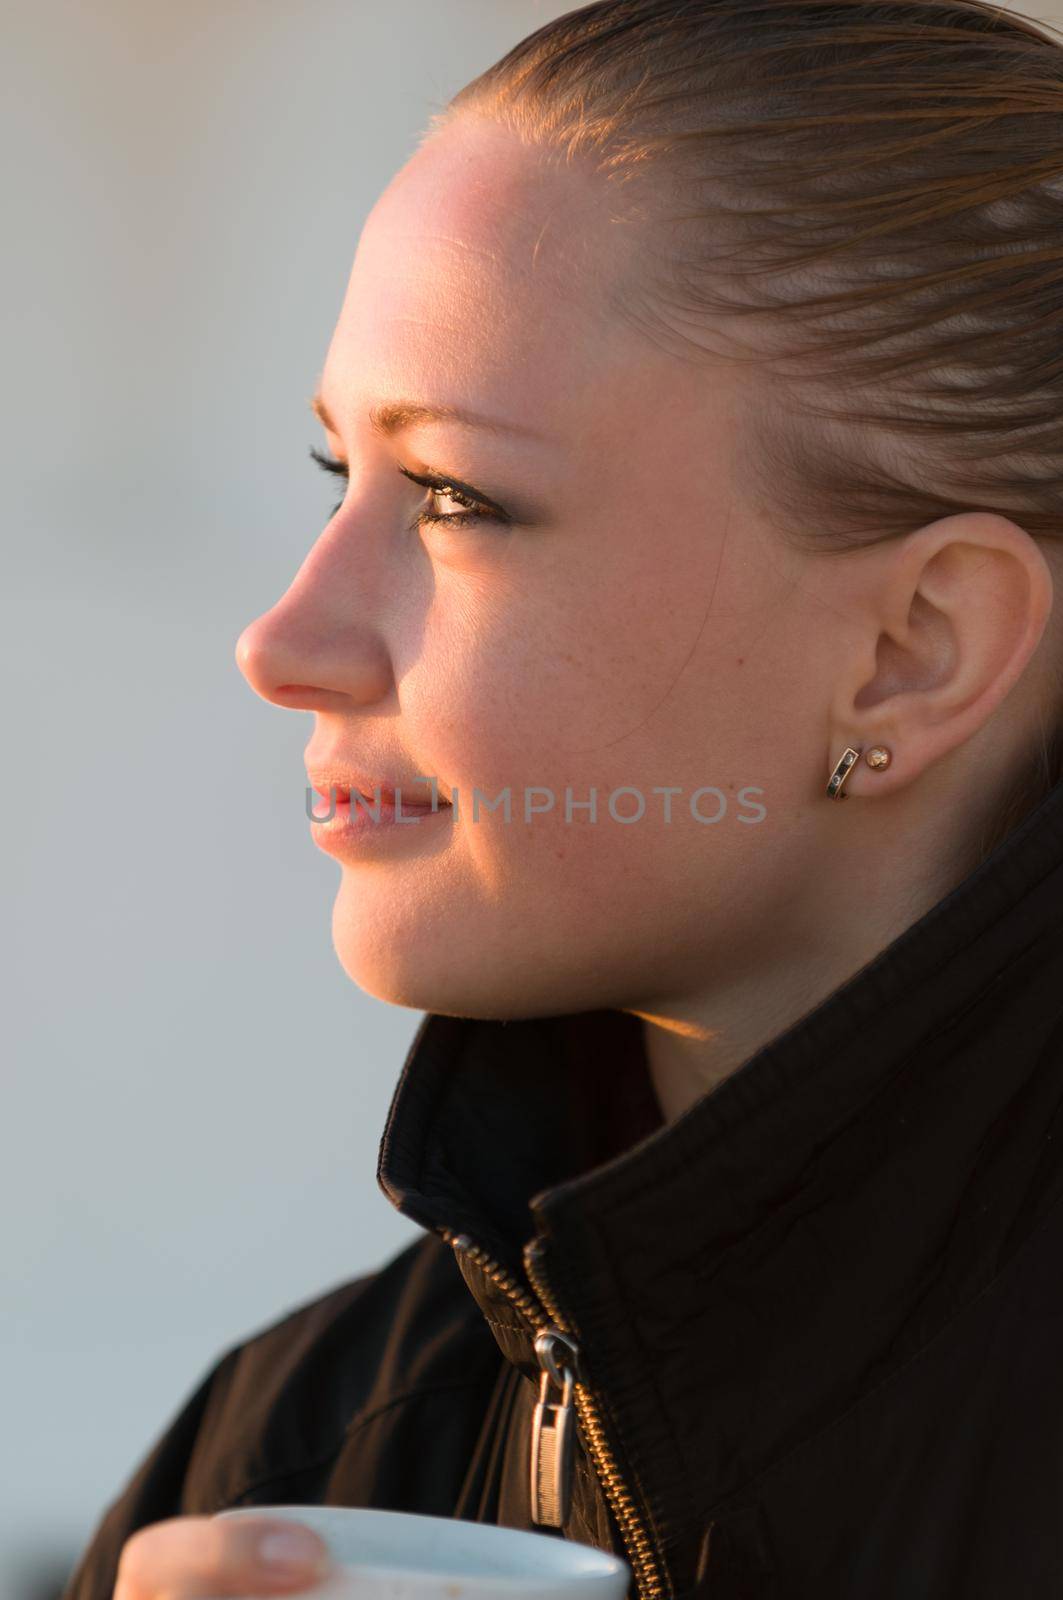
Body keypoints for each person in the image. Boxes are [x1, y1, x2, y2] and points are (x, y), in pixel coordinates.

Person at [64, 1, 1063, 1596]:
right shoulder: (286, 1458)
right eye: (344, 478)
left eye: (455, 498)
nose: (286, 642)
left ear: (909, 654)